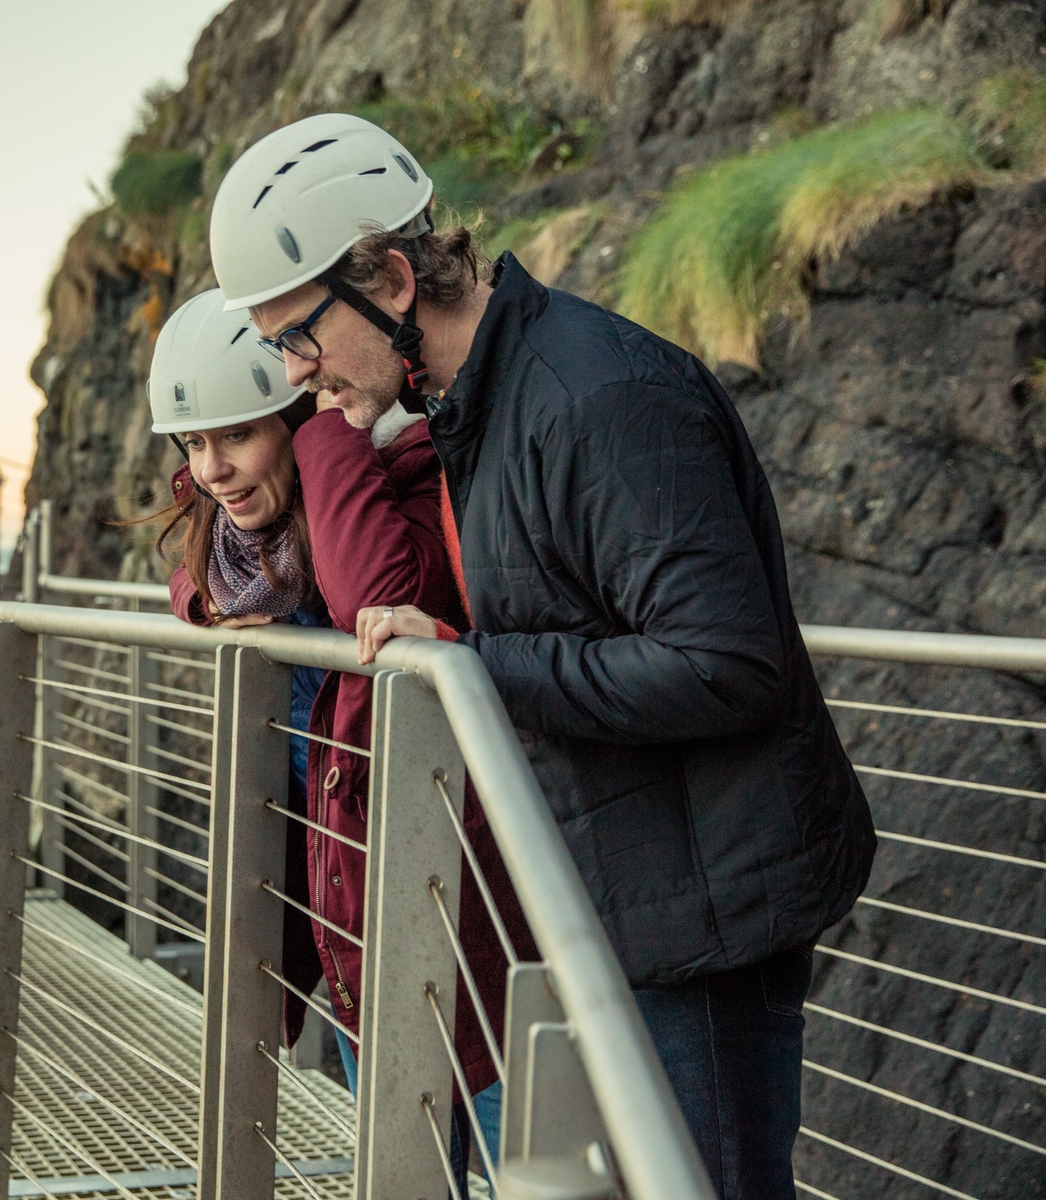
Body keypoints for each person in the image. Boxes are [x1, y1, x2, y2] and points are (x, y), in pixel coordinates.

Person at [209, 112, 877, 1199]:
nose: (293, 371)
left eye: (299, 333)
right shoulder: (485, 399)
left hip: (700, 918)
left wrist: (478, 661)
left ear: (388, 275)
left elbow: (727, 661)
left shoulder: (598, 396)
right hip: (630, 898)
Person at [144, 287, 525, 1181]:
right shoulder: (262, 548)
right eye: (195, 444)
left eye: (238, 435)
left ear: (301, 408)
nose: (214, 470)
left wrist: (327, 431)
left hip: (477, 935)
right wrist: (203, 595)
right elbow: (196, 572)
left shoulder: (405, 483)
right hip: (358, 929)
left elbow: (372, 597)